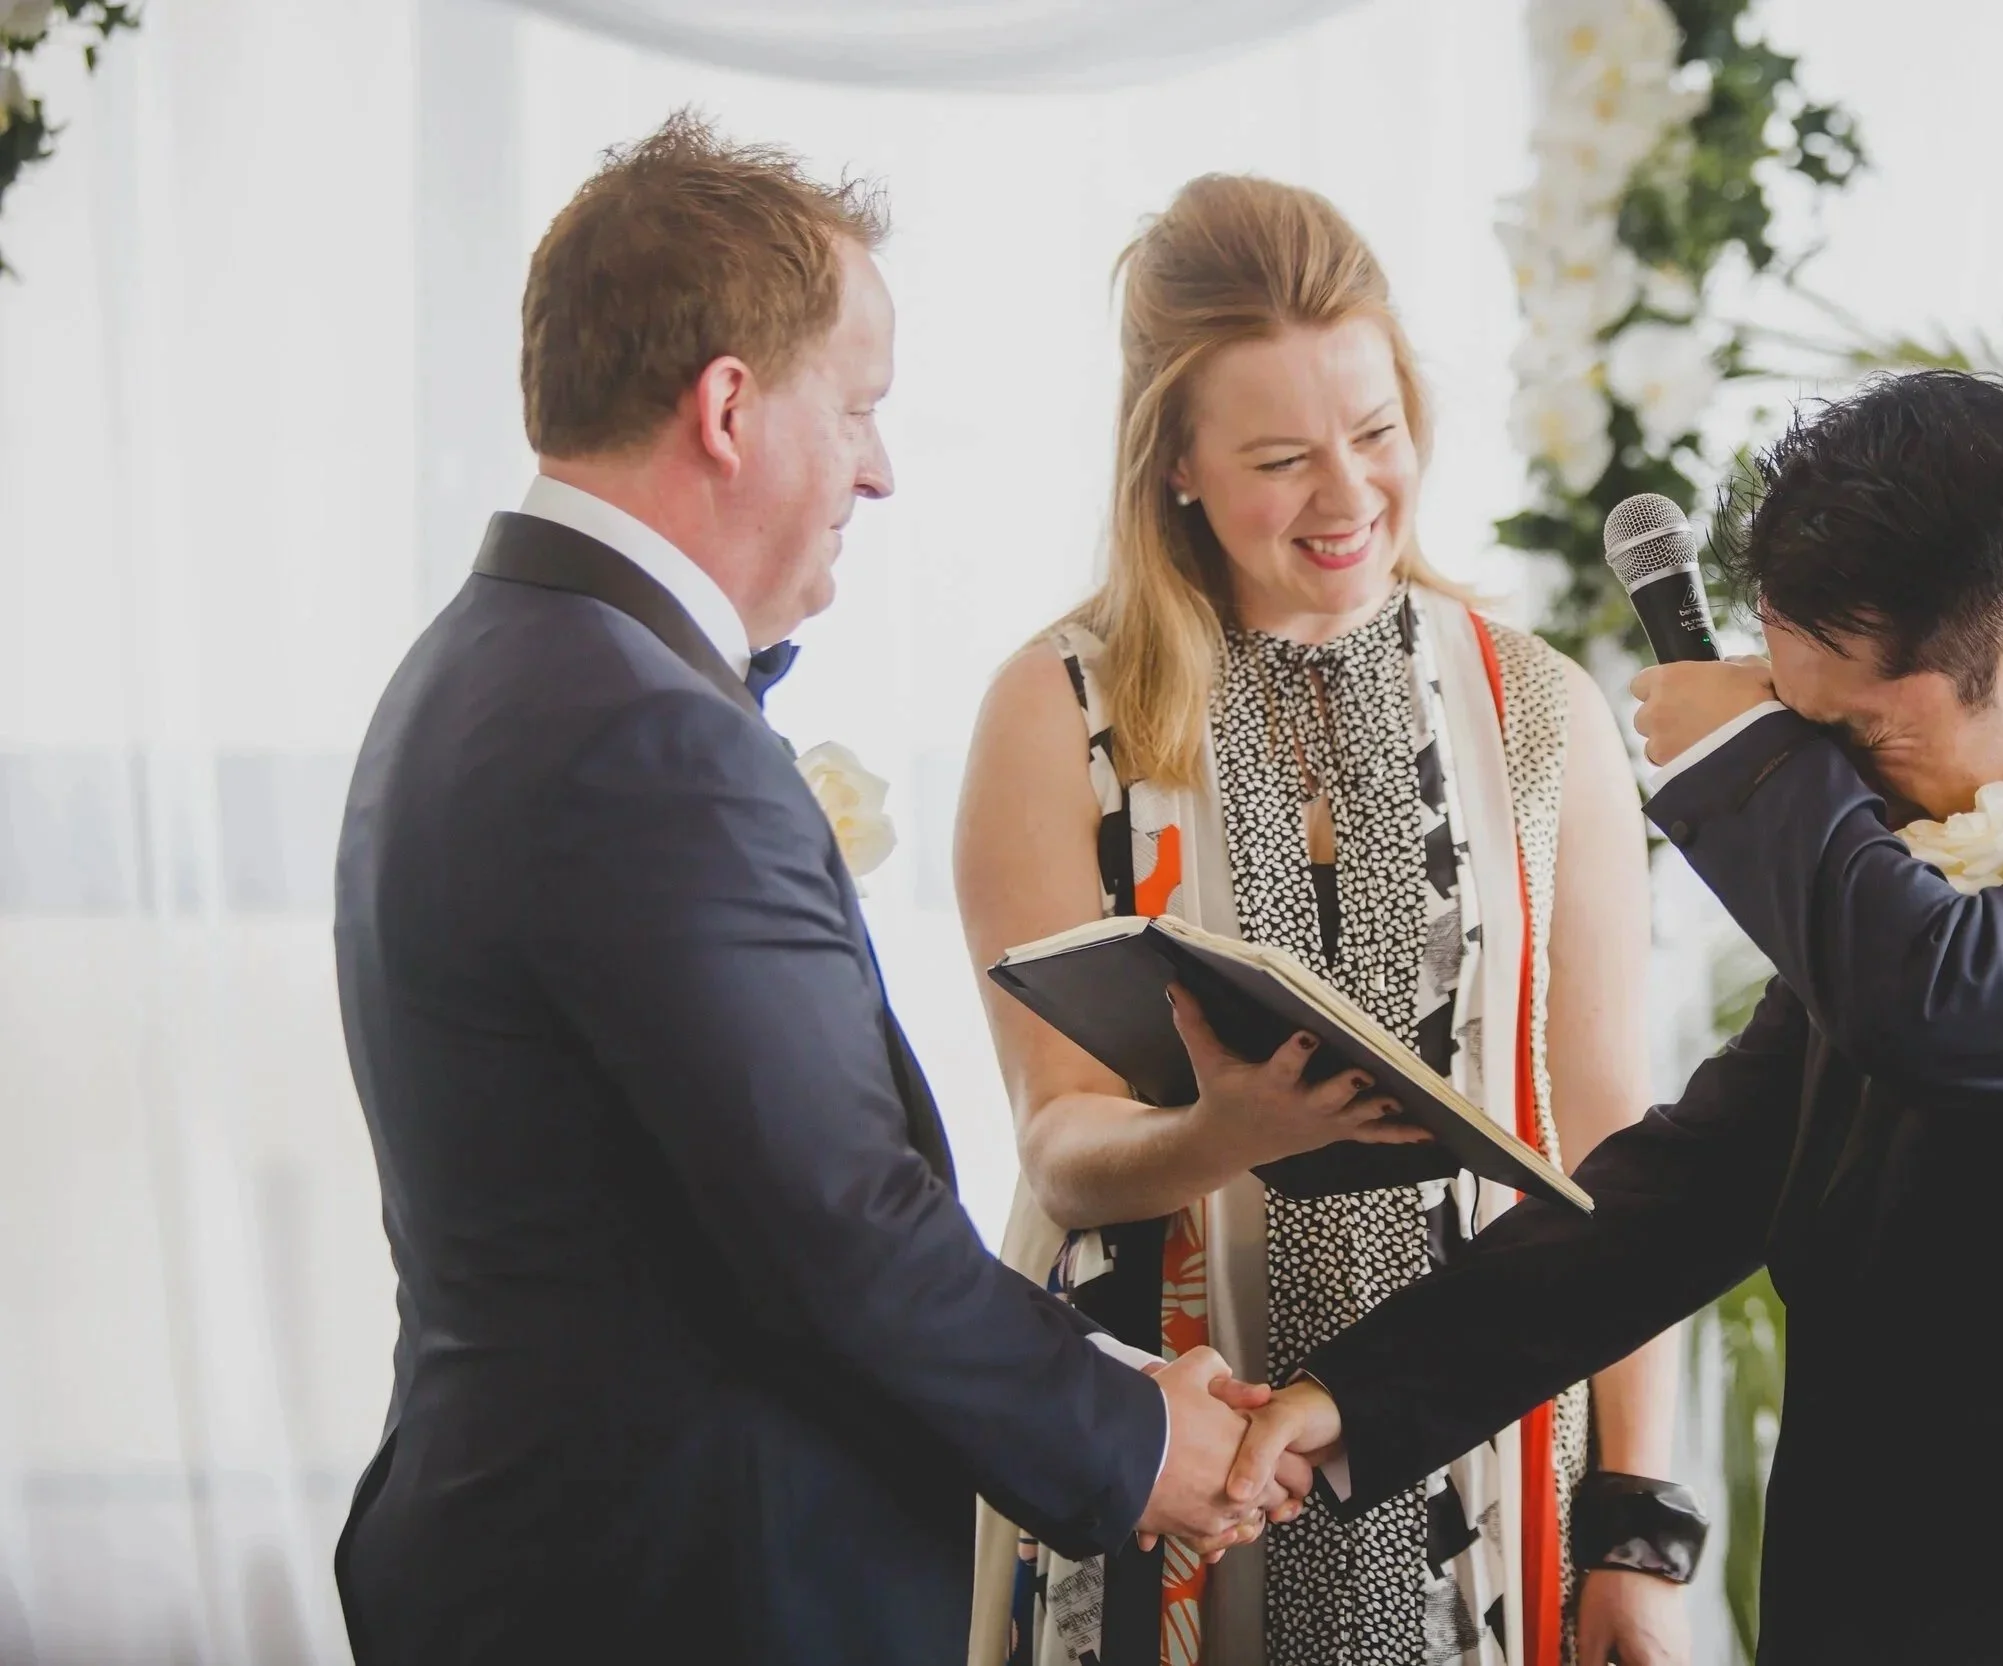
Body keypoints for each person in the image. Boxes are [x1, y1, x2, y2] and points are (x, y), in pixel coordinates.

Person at [1225, 371, 2003, 1666]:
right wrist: (1358, 1392)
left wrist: (1743, 756)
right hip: (1857, 1601)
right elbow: (1691, 1182)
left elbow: (1946, 1002)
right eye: (1804, 742)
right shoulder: (1902, 896)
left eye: (1855, 736)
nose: (1833, 784)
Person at [331, 114, 1290, 1666]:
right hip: (672, 1588)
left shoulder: (487, 660)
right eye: (856, 407)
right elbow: (836, 1227)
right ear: (728, 406)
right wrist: (1130, 1430)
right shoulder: (643, 734)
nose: (880, 467)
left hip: (538, 1549)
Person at [955, 174, 1689, 1666]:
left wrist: (1636, 1524)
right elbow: (1058, 1143)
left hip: (1488, 1474)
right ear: (1172, 464)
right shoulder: (1058, 711)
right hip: (1168, 1469)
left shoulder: (1545, 713)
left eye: (1375, 432)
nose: (1349, 497)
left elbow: (1618, 1153)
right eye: (1283, 457)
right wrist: (1220, 1133)